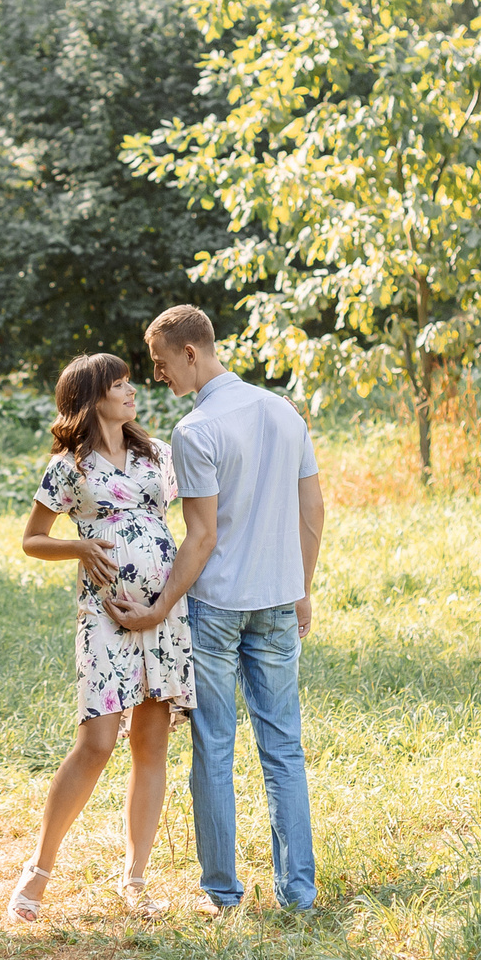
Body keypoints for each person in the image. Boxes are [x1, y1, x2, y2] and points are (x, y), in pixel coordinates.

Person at [107, 305, 324, 914]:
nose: (157, 375)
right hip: (277, 601)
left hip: (217, 607)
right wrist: (301, 586)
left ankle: (223, 894)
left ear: (190, 353)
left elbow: (201, 538)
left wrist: (158, 608)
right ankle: (298, 894)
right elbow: (313, 509)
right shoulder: (284, 412)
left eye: (160, 363)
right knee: (284, 749)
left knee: (214, 747)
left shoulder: (195, 430)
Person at [5, 352, 197, 923]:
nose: (133, 390)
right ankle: (38, 870)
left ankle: (136, 880)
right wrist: (79, 546)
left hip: (163, 613)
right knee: (97, 742)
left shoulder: (156, 454)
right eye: (120, 384)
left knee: (152, 745)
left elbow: (200, 515)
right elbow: (32, 539)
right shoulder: (69, 467)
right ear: (93, 399)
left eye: (131, 381)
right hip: (106, 615)